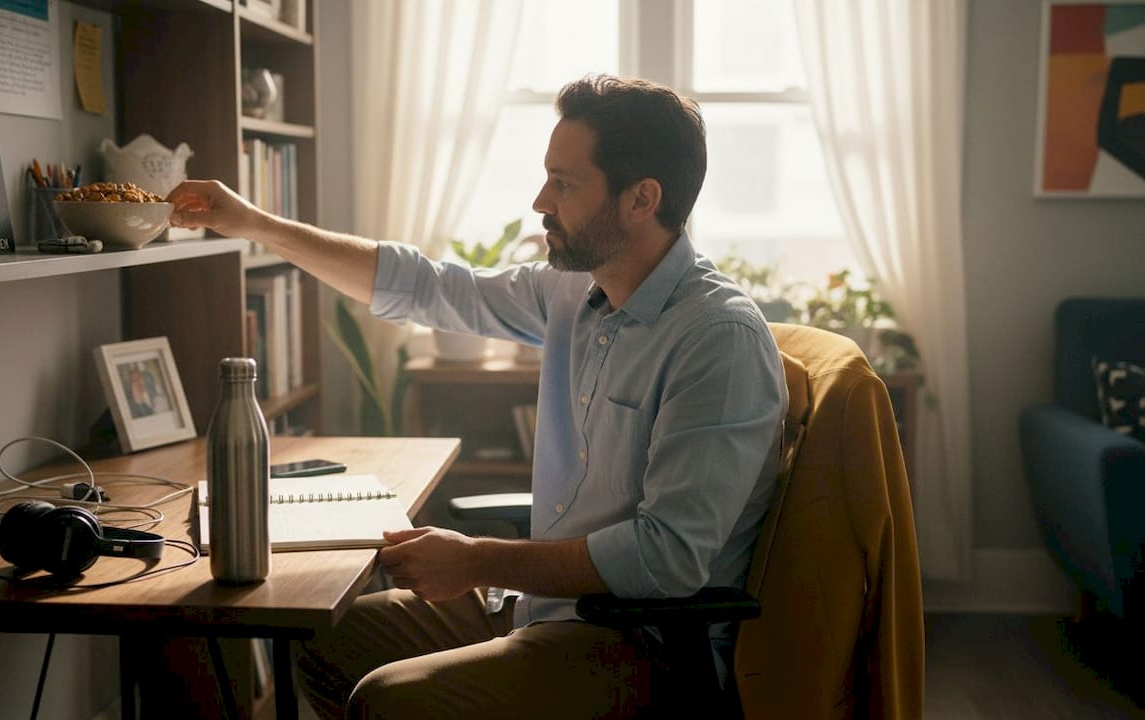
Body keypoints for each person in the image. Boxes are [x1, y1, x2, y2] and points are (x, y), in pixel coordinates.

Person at [167, 74, 787, 719]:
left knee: (388, 703)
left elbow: (668, 559)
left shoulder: (718, 340)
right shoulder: (575, 290)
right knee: (327, 639)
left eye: (564, 183)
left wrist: (475, 561)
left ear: (642, 199)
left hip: (640, 646)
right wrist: (253, 224)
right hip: (543, 610)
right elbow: (429, 287)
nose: (540, 200)